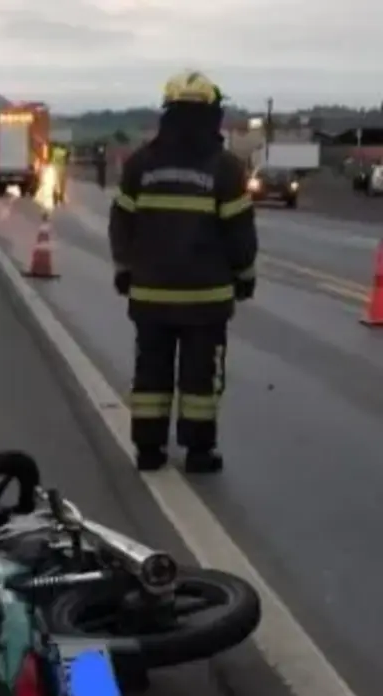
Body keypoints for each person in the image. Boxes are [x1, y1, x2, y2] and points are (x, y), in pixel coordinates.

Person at [108, 70, 258, 474]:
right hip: (205, 301)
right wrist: (245, 277)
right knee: (199, 380)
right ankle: (198, 452)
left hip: (151, 297)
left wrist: (125, 269)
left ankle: (149, 451)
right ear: (211, 115)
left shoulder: (140, 165)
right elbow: (239, 235)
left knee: (151, 374)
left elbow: (121, 223)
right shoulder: (225, 170)